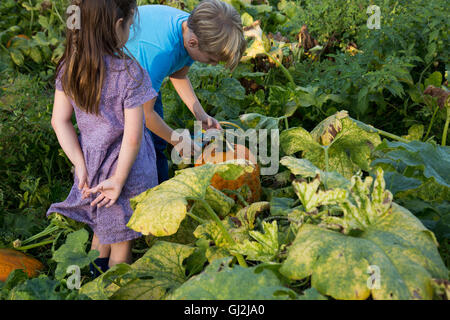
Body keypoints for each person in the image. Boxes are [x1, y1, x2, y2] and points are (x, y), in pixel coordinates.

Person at [46, 0, 185, 277]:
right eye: (131, 26)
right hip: (127, 171)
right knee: (122, 244)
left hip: (93, 165)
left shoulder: (70, 66)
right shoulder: (130, 73)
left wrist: (80, 163)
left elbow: (59, 121)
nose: (131, 32)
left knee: (102, 231)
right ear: (117, 26)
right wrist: (119, 180)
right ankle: (113, 289)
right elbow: (133, 138)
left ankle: (93, 282)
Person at [126, 0, 247, 184]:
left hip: (143, 77)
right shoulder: (161, 52)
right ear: (193, 43)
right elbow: (145, 114)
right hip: (117, 76)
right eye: (211, 60)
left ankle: (159, 183)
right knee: (139, 143)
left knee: (157, 140)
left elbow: (179, 75)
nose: (213, 64)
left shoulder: (192, 32)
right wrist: (177, 140)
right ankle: (143, 188)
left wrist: (201, 114)